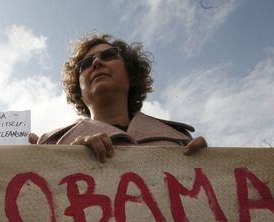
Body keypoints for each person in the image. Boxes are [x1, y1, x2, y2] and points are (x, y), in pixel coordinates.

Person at [36, 33, 206, 159]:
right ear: (77, 88)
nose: (96, 62)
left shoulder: (181, 140)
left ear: (130, 73)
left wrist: (210, 163)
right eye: (86, 63)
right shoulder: (49, 144)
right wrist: (72, 158)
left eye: (108, 55)